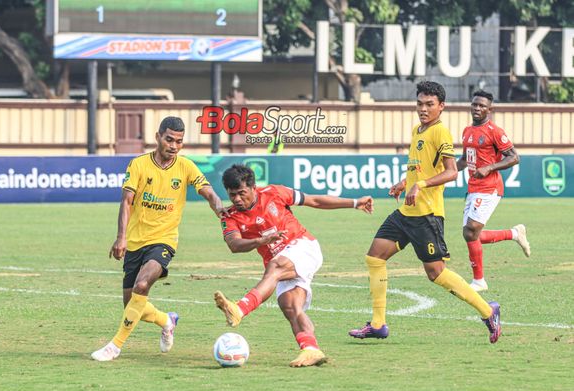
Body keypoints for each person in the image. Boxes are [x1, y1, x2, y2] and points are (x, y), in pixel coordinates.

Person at [348, 81, 503, 344]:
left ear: (441, 107)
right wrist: (404, 183)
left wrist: (420, 185)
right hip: (407, 212)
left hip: (427, 215)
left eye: (429, 104)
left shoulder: (440, 132)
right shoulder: (417, 130)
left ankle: (489, 312)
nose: (423, 109)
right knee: (375, 257)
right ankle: (377, 324)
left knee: (436, 273)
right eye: (420, 103)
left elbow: (452, 171)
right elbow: (419, 169)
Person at [91, 116, 227, 362]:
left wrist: (219, 209)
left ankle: (115, 346)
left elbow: (208, 192)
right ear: (158, 137)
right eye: (169, 139)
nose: (174, 146)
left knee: (142, 286)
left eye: (179, 141)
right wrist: (121, 238)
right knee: (132, 305)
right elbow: (126, 201)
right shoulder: (139, 165)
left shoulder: (185, 167)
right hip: (135, 241)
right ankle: (167, 320)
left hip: (164, 241)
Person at [213, 164, 374, 367]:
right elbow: (234, 245)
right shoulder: (230, 216)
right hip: (281, 265)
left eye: (241, 193)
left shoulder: (274, 193)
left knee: (275, 265)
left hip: (304, 247)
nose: (236, 199)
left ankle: (240, 309)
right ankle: (311, 349)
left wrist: (354, 202)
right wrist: (261, 241)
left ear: (253, 187)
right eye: (232, 194)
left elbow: (314, 200)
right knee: (291, 307)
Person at [457, 90, 530, 292]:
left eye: (482, 105)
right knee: (471, 235)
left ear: (490, 109)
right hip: (473, 188)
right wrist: (450, 170)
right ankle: (515, 233)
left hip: (490, 188)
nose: (477, 108)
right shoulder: (467, 131)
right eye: (474, 104)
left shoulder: (495, 131)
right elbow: (465, 159)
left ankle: (479, 281)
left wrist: (489, 167)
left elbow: (514, 157)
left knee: (470, 230)